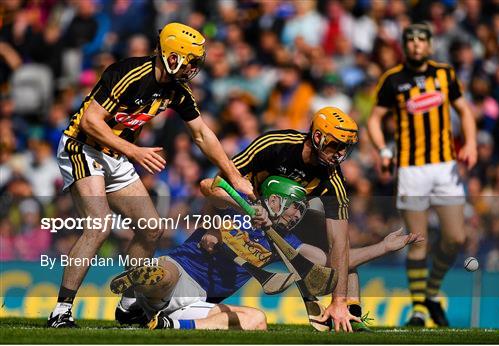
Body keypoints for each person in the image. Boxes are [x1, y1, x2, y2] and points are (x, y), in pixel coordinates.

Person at [47, 22, 253, 328]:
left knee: (151, 228)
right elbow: (91, 121)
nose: (194, 69)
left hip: (116, 154)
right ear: (173, 56)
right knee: (99, 224)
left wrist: (234, 176)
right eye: (191, 61)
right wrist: (133, 152)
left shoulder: (178, 91)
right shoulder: (128, 73)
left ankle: (129, 303)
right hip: (83, 147)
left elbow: (201, 135)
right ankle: (61, 310)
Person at [110, 176, 422, 330]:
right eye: (295, 207)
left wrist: (384, 246)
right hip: (181, 268)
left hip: (200, 301)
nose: (298, 215)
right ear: (276, 200)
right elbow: (209, 186)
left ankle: (167, 325)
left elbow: (332, 263)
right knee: (164, 274)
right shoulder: (244, 204)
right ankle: (131, 301)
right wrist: (218, 221)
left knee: (257, 320)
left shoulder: (284, 242)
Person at [202, 107, 370, 332]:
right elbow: (218, 183)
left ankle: (350, 314)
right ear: (318, 137)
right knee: (204, 296)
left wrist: (338, 301)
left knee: (341, 250)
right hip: (243, 213)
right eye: (335, 145)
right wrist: (212, 226)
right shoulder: (275, 144)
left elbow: (339, 243)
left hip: (285, 223)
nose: (340, 154)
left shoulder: (334, 180)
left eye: (344, 148)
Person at [367, 23, 477, 327]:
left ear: (430, 45)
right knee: (418, 241)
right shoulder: (392, 79)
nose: (416, 45)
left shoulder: (445, 74)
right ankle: (417, 309)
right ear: (404, 45)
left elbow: (464, 111)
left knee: (456, 237)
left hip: (444, 165)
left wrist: (469, 142)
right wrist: (383, 151)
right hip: (411, 168)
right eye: (411, 40)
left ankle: (430, 293)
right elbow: (374, 120)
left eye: (421, 40)